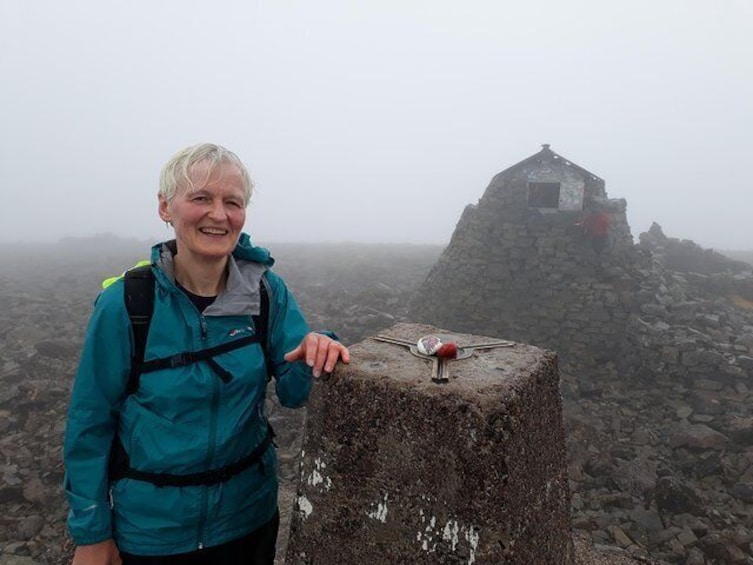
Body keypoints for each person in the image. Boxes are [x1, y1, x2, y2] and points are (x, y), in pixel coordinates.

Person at [63, 143, 350, 564]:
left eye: (232, 202)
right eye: (201, 198)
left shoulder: (266, 292)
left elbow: (293, 391)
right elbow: (90, 422)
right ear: (166, 207)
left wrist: (316, 349)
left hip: (247, 520)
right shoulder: (127, 304)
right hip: (152, 534)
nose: (219, 214)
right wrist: (91, 535)